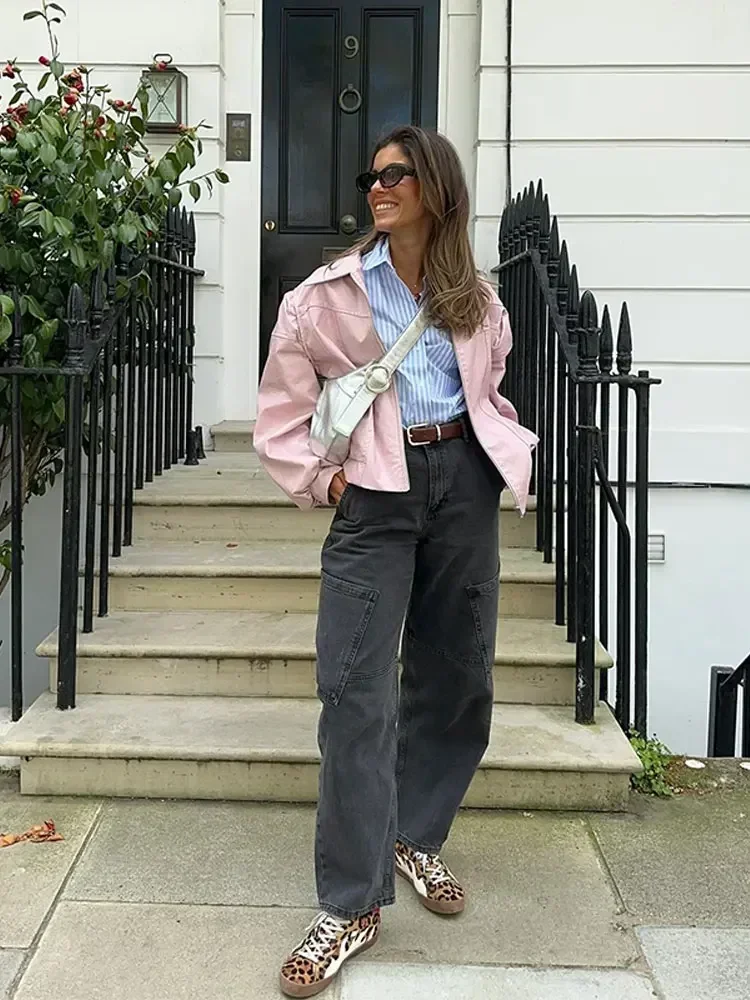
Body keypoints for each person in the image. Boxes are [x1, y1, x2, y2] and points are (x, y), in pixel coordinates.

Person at [254, 125, 537, 998]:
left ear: (435, 188)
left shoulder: (478, 300)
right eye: (370, 176)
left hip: (463, 483)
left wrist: (490, 459)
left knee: (458, 678)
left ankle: (417, 834)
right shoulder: (323, 298)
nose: (377, 187)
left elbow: (485, 389)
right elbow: (279, 414)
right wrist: (326, 484)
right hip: (375, 494)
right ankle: (349, 902)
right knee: (353, 693)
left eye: (396, 174)